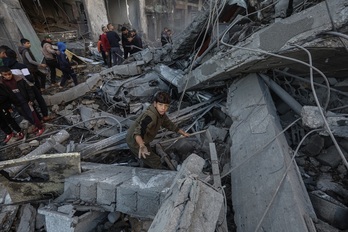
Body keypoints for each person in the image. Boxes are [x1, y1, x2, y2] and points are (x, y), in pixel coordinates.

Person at [126, 91, 189, 169]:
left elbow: (168, 124)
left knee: (148, 153)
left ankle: (143, 160)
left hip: (143, 138)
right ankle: (161, 173)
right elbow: (137, 133)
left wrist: (182, 133)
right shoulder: (150, 117)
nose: (163, 108)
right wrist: (142, 145)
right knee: (155, 160)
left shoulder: (160, 113)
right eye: (160, 104)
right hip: (135, 140)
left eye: (166, 106)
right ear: (155, 104)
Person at [3, 48, 51, 122]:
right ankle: (45, 116)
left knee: (30, 105)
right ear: (15, 56)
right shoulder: (21, 66)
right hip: (29, 86)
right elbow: (29, 78)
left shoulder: (7, 69)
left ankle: (38, 119)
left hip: (20, 90)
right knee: (39, 100)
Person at [0, 66, 45, 136]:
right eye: (5, 75)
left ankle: (40, 127)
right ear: (2, 75)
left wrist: (31, 99)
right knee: (26, 116)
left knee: (33, 115)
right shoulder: (2, 83)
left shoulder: (19, 79)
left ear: (11, 73)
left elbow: (29, 90)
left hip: (26, 101)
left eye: (9, 74)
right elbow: (6, 95)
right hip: (17, 103)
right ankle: (36, 125)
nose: (8, 76)